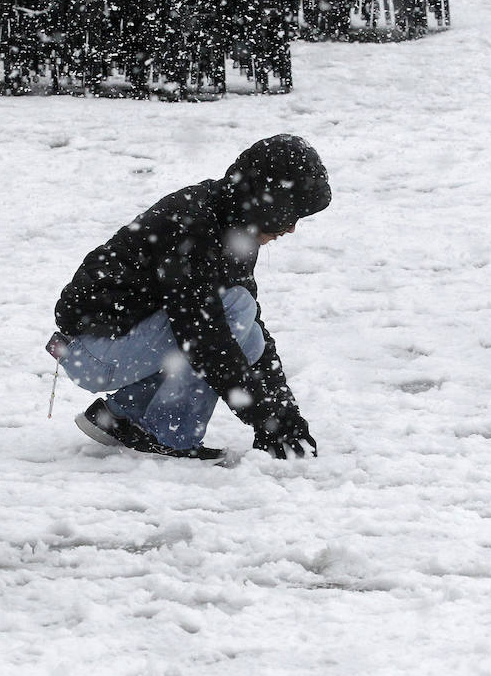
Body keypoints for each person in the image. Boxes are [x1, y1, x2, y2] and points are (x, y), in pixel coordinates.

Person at [49, 135, 331, 461]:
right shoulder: (193, 225)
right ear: (268, 203)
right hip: (92, 351)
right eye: (290, 215)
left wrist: (285, 412)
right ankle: (167, 434)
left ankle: (122, 416)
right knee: (233, 313)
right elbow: (203, 338)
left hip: (120, 344)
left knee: (249, 336)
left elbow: (242, 334)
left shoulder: (234, 224)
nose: (292, 229)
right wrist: (263, 418)